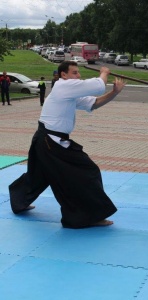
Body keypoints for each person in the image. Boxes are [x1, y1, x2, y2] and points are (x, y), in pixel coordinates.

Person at [9, 61, 126, 229]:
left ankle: (18, 201)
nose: (78, 76)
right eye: (74, 73)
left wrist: (114, 93)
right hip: (50, 141)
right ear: (63, 75)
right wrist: (104, 72)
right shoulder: (63, 86)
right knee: (87, 171)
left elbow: (93, 103)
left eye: (78, 73)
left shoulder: (68, 92)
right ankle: (87, 216)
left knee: (38, 175)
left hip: (47, 140)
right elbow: (99, 85)